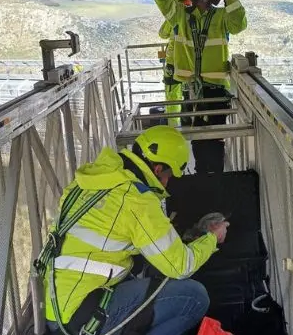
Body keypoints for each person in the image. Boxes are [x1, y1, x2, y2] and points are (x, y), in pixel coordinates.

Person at [37, 125, 230, 335]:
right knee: (193, 297)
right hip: (80, 317)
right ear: (157, 169)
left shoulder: (90, 182)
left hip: (55, 307)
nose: (167, 184)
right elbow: (181, 266)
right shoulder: (136, 198)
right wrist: (212, 238)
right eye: (169, 176)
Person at [152, 0, 247, 172]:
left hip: (214, 92)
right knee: (197, 139)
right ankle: (205, 180)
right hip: (192, 91)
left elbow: (239, 24)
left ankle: (212, 179)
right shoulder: (181, 17)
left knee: (213, 140)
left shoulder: (221, 17)